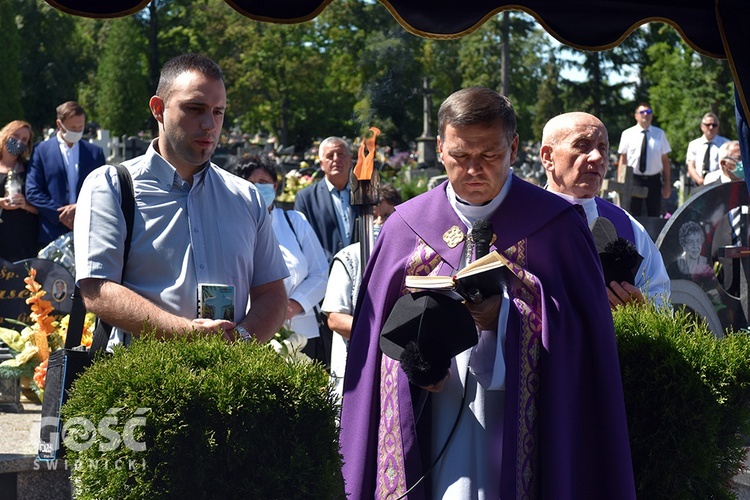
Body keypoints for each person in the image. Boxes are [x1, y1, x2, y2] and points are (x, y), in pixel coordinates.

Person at [340, 87, 635, 499]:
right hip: (434, 416)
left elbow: (587, 342)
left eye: (490, 155)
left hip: (524, 426)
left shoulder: (558, 227)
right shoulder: (404, 227)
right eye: (461, 156)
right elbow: (373, 352)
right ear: (440, 148)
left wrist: (509, 318)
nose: (474, 169)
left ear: (513, 147)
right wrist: (415, 359)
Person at [74, 53, 289, 347]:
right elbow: (97, 289)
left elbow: (272, 294)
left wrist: (239, 344)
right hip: (141, 382)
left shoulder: (246, 197)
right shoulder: (111, 186)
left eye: (218, 112)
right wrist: (186, 335)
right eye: (195, 108)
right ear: (158, 109)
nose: (209, 124)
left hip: (228, 383)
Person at [542, 112, 670, 309]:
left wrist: (641, 311)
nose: (598, 157)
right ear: (548, 157)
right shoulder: (520, 221)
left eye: (603, 148)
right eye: (582, 145)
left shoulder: (628, 227)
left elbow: (661, 296)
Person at [235, 153, 329, 363]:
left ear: (275, 187)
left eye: (263, 182)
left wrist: (290, 307)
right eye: (250, 183)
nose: (257, 188)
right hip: (250, 332)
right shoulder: (230, 227)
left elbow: (320, 274)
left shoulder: (295, 222)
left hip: (301, 331)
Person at [321, 183, 402, 399]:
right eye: (374, 216)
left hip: (397, 369)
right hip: (356, 369)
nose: (379, 223)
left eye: (387, 215)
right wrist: (384, 334)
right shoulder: (348, 258)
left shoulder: (409, 258)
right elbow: (336, 319)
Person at [26, 101, 106, 247]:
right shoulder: (41, 151)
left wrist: (78, 208)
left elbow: (102, 190)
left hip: (88, 231)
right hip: (51, 233)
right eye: (72, 128)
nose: (77, 131)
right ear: (59, 124)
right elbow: (32, 191)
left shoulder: (95, 153)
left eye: (80, 127)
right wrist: (60, 215)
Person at [294, 137, 356, 262]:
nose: (336, 159)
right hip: (325, 271)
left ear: (350, 160)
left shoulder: (363, 194)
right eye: (329, 156)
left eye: (341, 154)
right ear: (321, 164)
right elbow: (304, 240)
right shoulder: (306, 198)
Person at [617, 103, 671, 217]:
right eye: (642, 112)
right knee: (632, 214)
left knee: (654, 214)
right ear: (636, 116)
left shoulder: (660, 134)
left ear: (652, 116)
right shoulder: (627, 134)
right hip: (633, 179)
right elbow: (623, 159)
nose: (645, 114)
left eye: (648, 112)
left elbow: (665, 160)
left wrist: (667, 184)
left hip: (654, 180)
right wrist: (620, 182)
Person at [0, 120, 39, 262]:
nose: (18, 142)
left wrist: (25, 205)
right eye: (15, 136)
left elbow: (41, 207)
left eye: (24, 140)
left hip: (24, 240)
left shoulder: (31, 170)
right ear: (6, 134)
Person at [686, 112, 729, 188]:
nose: (711, 127)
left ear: (718, 127)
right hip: (698, 185)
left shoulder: (726, 144)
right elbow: (691, 166)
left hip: (719, 184)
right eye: (708, 125)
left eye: (714, 125)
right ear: (702, 126)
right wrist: (700, 181)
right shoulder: (694, 144)